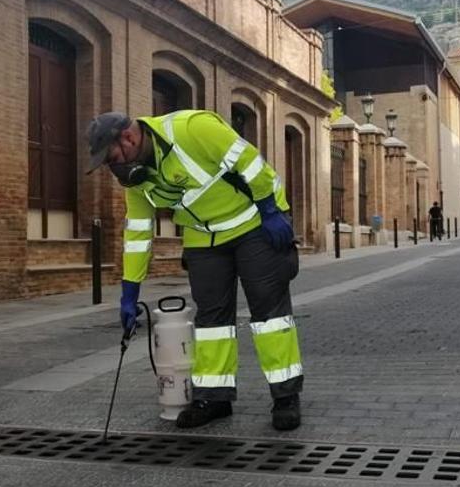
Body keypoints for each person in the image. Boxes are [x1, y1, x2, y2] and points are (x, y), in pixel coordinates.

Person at [86, 109, 304, 431]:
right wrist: (129, 292)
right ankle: (214, 397)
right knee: (211, 321)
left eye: (111, 157)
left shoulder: (192, 128)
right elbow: (137, 234)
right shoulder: (137, 180)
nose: (112, 166)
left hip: (253, 224)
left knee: (269, 314)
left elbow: (251, 162)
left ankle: (286, 396)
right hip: (203, 237)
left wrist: (271, 209)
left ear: (129, 138)